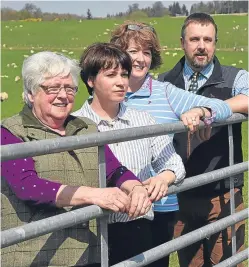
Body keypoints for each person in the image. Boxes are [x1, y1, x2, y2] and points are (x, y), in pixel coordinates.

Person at [1, 51, 152, 267]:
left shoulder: (86, 128)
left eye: (69, 88)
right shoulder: (11, 132)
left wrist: (136, 187)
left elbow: (113, 169)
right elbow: (28, 186)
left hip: (87, 253)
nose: (63, 95)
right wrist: (95, 195)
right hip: (35, 255)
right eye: (52, 88)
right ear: (31, 93)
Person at [110, 20, 233, 267]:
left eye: (146, 52)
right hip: (116, 205)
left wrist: (200, 110)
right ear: (118, 55)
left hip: (160, 205)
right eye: (133, 52)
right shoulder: (108, 92)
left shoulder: (164, 92)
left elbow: (221, 106)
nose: (140, 59)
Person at [73, 42, 186, 265]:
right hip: (90, 230)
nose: (120, 82)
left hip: (138, 226)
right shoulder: (75, 126)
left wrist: (164, 178)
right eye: (111, 75)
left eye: (124, 75)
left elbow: (175, 163)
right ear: (90, 80)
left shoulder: (144, 121)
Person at [158, 13, 248, 266]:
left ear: (215, 43)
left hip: (222, 194)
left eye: (208, 40)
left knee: (228, 261)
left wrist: (208, 110)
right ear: (182, 43)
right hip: (179, 193)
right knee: (191, 263)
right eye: (195, 39)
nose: (201, 46)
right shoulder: (164, 82)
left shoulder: (234, 78)